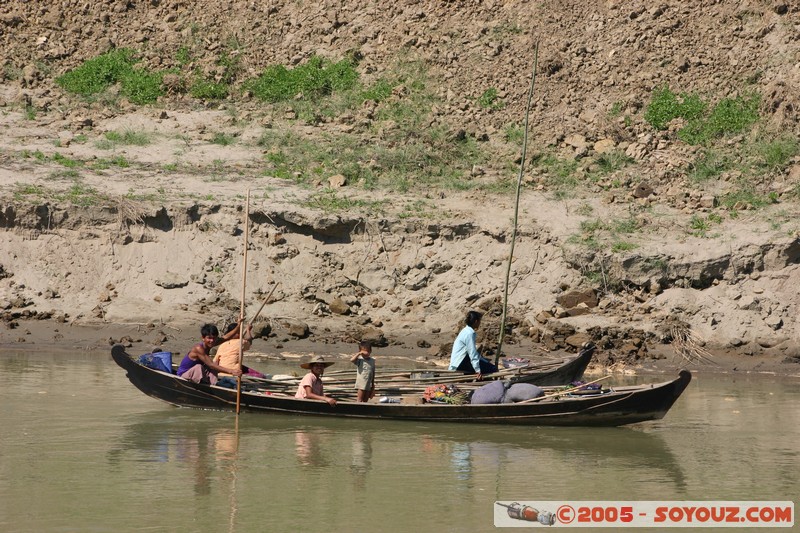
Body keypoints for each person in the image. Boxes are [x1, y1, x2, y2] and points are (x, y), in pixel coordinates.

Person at [177, 323, 243, 385]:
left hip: (195, 373)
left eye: (214, 338)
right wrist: (231, 371)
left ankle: (213, 385)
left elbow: (226, 337)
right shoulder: (198, 348)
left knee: (213, 366)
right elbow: (211, 365)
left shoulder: (211, 344)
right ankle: (206, 384)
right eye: (209, 338)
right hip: (184, 375)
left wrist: (238, 326)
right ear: (203, 338)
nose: (212, 340)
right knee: (200, 367)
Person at [448, 310, 498, 379]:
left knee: (487, 365)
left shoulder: (465, 330)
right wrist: (477, 370)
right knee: (492, 369)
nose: (480, 323)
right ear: (476, 322)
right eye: (479, 321)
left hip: (459, 361)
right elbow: (472, 353)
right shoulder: (469, 333)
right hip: (460, 363)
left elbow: (474, 354)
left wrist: (485, 361)